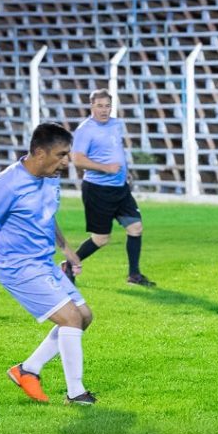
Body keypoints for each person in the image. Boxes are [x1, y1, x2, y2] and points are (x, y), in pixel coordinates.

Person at [0, 122, 97, 405]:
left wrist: (66, 248)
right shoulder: (8, 184)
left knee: (84, 316)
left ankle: (28, 369)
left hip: (43, 263)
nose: (66, 162)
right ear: (40, 153)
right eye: (61, 155)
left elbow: (47, 214)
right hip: (18, 268)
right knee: (70, 318)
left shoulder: (50, 177)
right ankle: (76, 392)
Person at [64, 88, 155, 287]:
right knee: (101, 239)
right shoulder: (85, 130)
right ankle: (69, 265)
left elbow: (114, 151)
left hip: (120, 188)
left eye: (107, 106)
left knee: (135, 228)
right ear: (91, 106)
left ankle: (134, 275)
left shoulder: (115, 124)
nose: (104, 110)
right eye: (100, 106)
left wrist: (125, 172)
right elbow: (77, 160)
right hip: (98, 190)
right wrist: (105, 168)